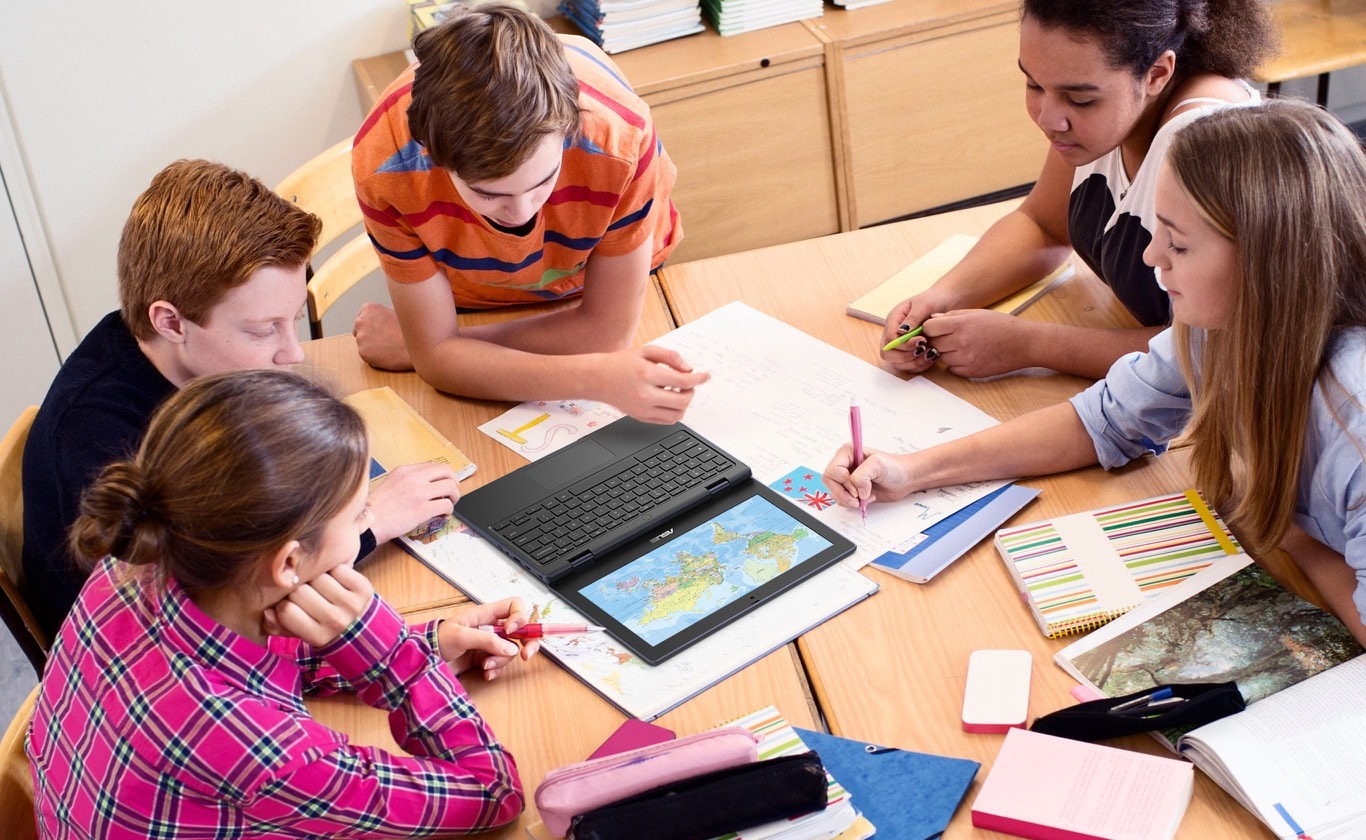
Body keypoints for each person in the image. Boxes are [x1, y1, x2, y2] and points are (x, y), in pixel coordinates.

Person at [825, 100, 1366, 646]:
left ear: (1270, 262)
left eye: (1178, 243)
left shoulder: (1355, 422)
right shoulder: (1225, 324)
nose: (1153, 257)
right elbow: (1101, 420)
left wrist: (1293, 537)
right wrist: (911, 470)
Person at [28, 370, 533, 836]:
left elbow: (242, 657)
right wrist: (400, 664)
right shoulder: (267, 755)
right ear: (288, 564)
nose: (365, 524)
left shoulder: (138, 562)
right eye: (359, 515)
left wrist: (427, 644)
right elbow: (493, 791)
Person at [21, 159, 460, 640]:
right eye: (262, 329)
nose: (292, 353)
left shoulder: (190, 359)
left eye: (292, 318)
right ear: (170, 322)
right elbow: (209, 613)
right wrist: (369, 521)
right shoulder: (103, 439)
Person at [350, 2, 708, 424]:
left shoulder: (621, 139)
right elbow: (437, 360)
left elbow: (607, 334)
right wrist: (594, 376)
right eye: (487, 193)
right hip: (479, 295)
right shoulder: (385, 163)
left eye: (543, 180)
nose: (521, 213)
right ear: (432, 155)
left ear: (572, 126)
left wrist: (441, 348)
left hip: (604, 278)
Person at [880, 0, 1274, 380]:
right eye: (1034, 84)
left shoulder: (1204, 141)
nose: (1048, 119)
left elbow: (1218, 350)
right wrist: (944, 296)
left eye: (1080, 99)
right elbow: (1043, 225)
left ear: (1156, 74)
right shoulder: (1105, 120)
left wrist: (1029, 345)